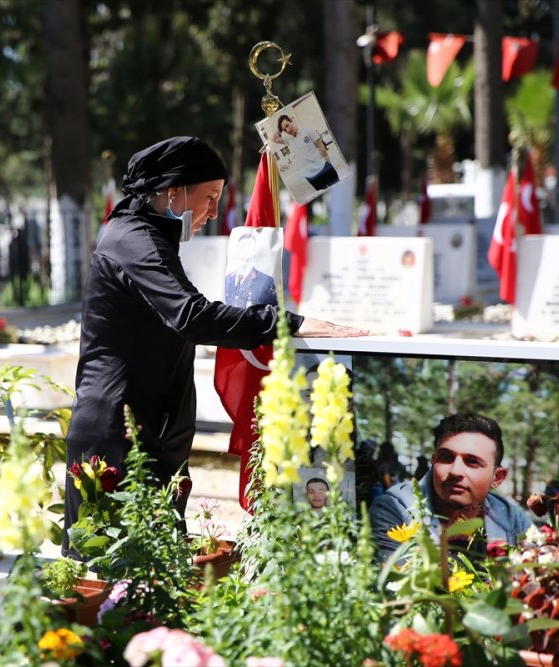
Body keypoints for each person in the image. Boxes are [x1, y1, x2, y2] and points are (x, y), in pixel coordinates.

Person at [63, 136, 368, 559]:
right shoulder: (133, 239)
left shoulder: (149, 235)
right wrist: (289, 324)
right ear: (173, 191)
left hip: (150, 427)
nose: (212, 210)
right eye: (208, 197)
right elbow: (192, 316)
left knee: (155, 569)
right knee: (114, 576)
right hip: (119, 434)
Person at [369, 413, 532, 562]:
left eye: (472, 462)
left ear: (497, 478)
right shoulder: (395, 508)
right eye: (446, 457)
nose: (455, 471)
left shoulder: (512, 518)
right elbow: (400, 585)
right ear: (433, 461)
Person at [268, 114, 339, 191]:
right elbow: (273, 139)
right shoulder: (289, 140)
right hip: (310, 176)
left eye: (287, 125)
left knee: (337, 190)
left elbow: (321, 147)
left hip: (323, 167)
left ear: (291, 121)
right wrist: (280, 128)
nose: (288, 130)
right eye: (285, 130)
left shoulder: (307, 130)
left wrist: (329, 164)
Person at [224, 229, 277, 308]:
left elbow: (272, 310)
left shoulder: (266, 280)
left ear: (255, 250)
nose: (245, 250)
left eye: (249, 246)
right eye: (242, 246)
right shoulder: (229, 277)